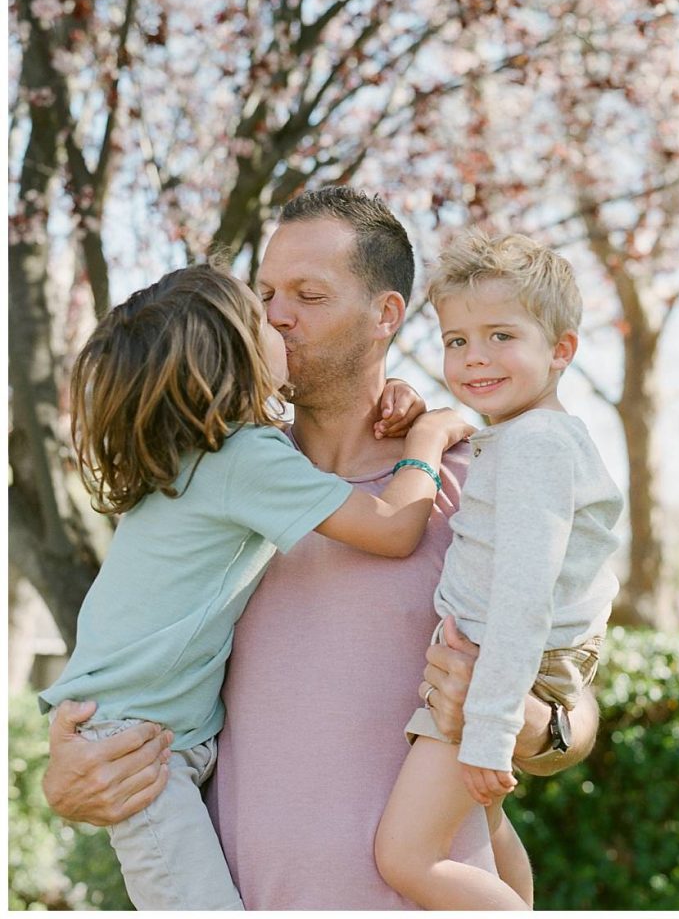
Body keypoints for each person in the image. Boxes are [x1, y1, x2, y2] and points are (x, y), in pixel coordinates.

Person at [43, 188, 600, 909]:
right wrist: (73, 780)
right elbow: (134, 682)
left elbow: (574, 706)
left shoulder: (482, 489)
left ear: (385, 316)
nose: (276, 315)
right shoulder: (210, 496)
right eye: (267, 292)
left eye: (308, 295)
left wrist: (523, 721)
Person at [38, 260, 472, 910]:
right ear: (233, 355)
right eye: (259, 307)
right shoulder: (243, 459)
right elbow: (391, 528)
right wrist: (430, 434)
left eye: (305, 293)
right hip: (135, 746)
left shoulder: (201, 453)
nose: (276, 318)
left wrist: (397, 395)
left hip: (141, 732)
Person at [375, 231, 623, 909]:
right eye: (456, 340)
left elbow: (523, 593)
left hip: (491, 667)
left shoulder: (535, 445)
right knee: (479, 831)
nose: (473, 357)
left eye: (500, 336)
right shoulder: (523, 438)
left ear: (561, 351)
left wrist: (488, 727)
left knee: (405, 857)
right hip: (497, 662)